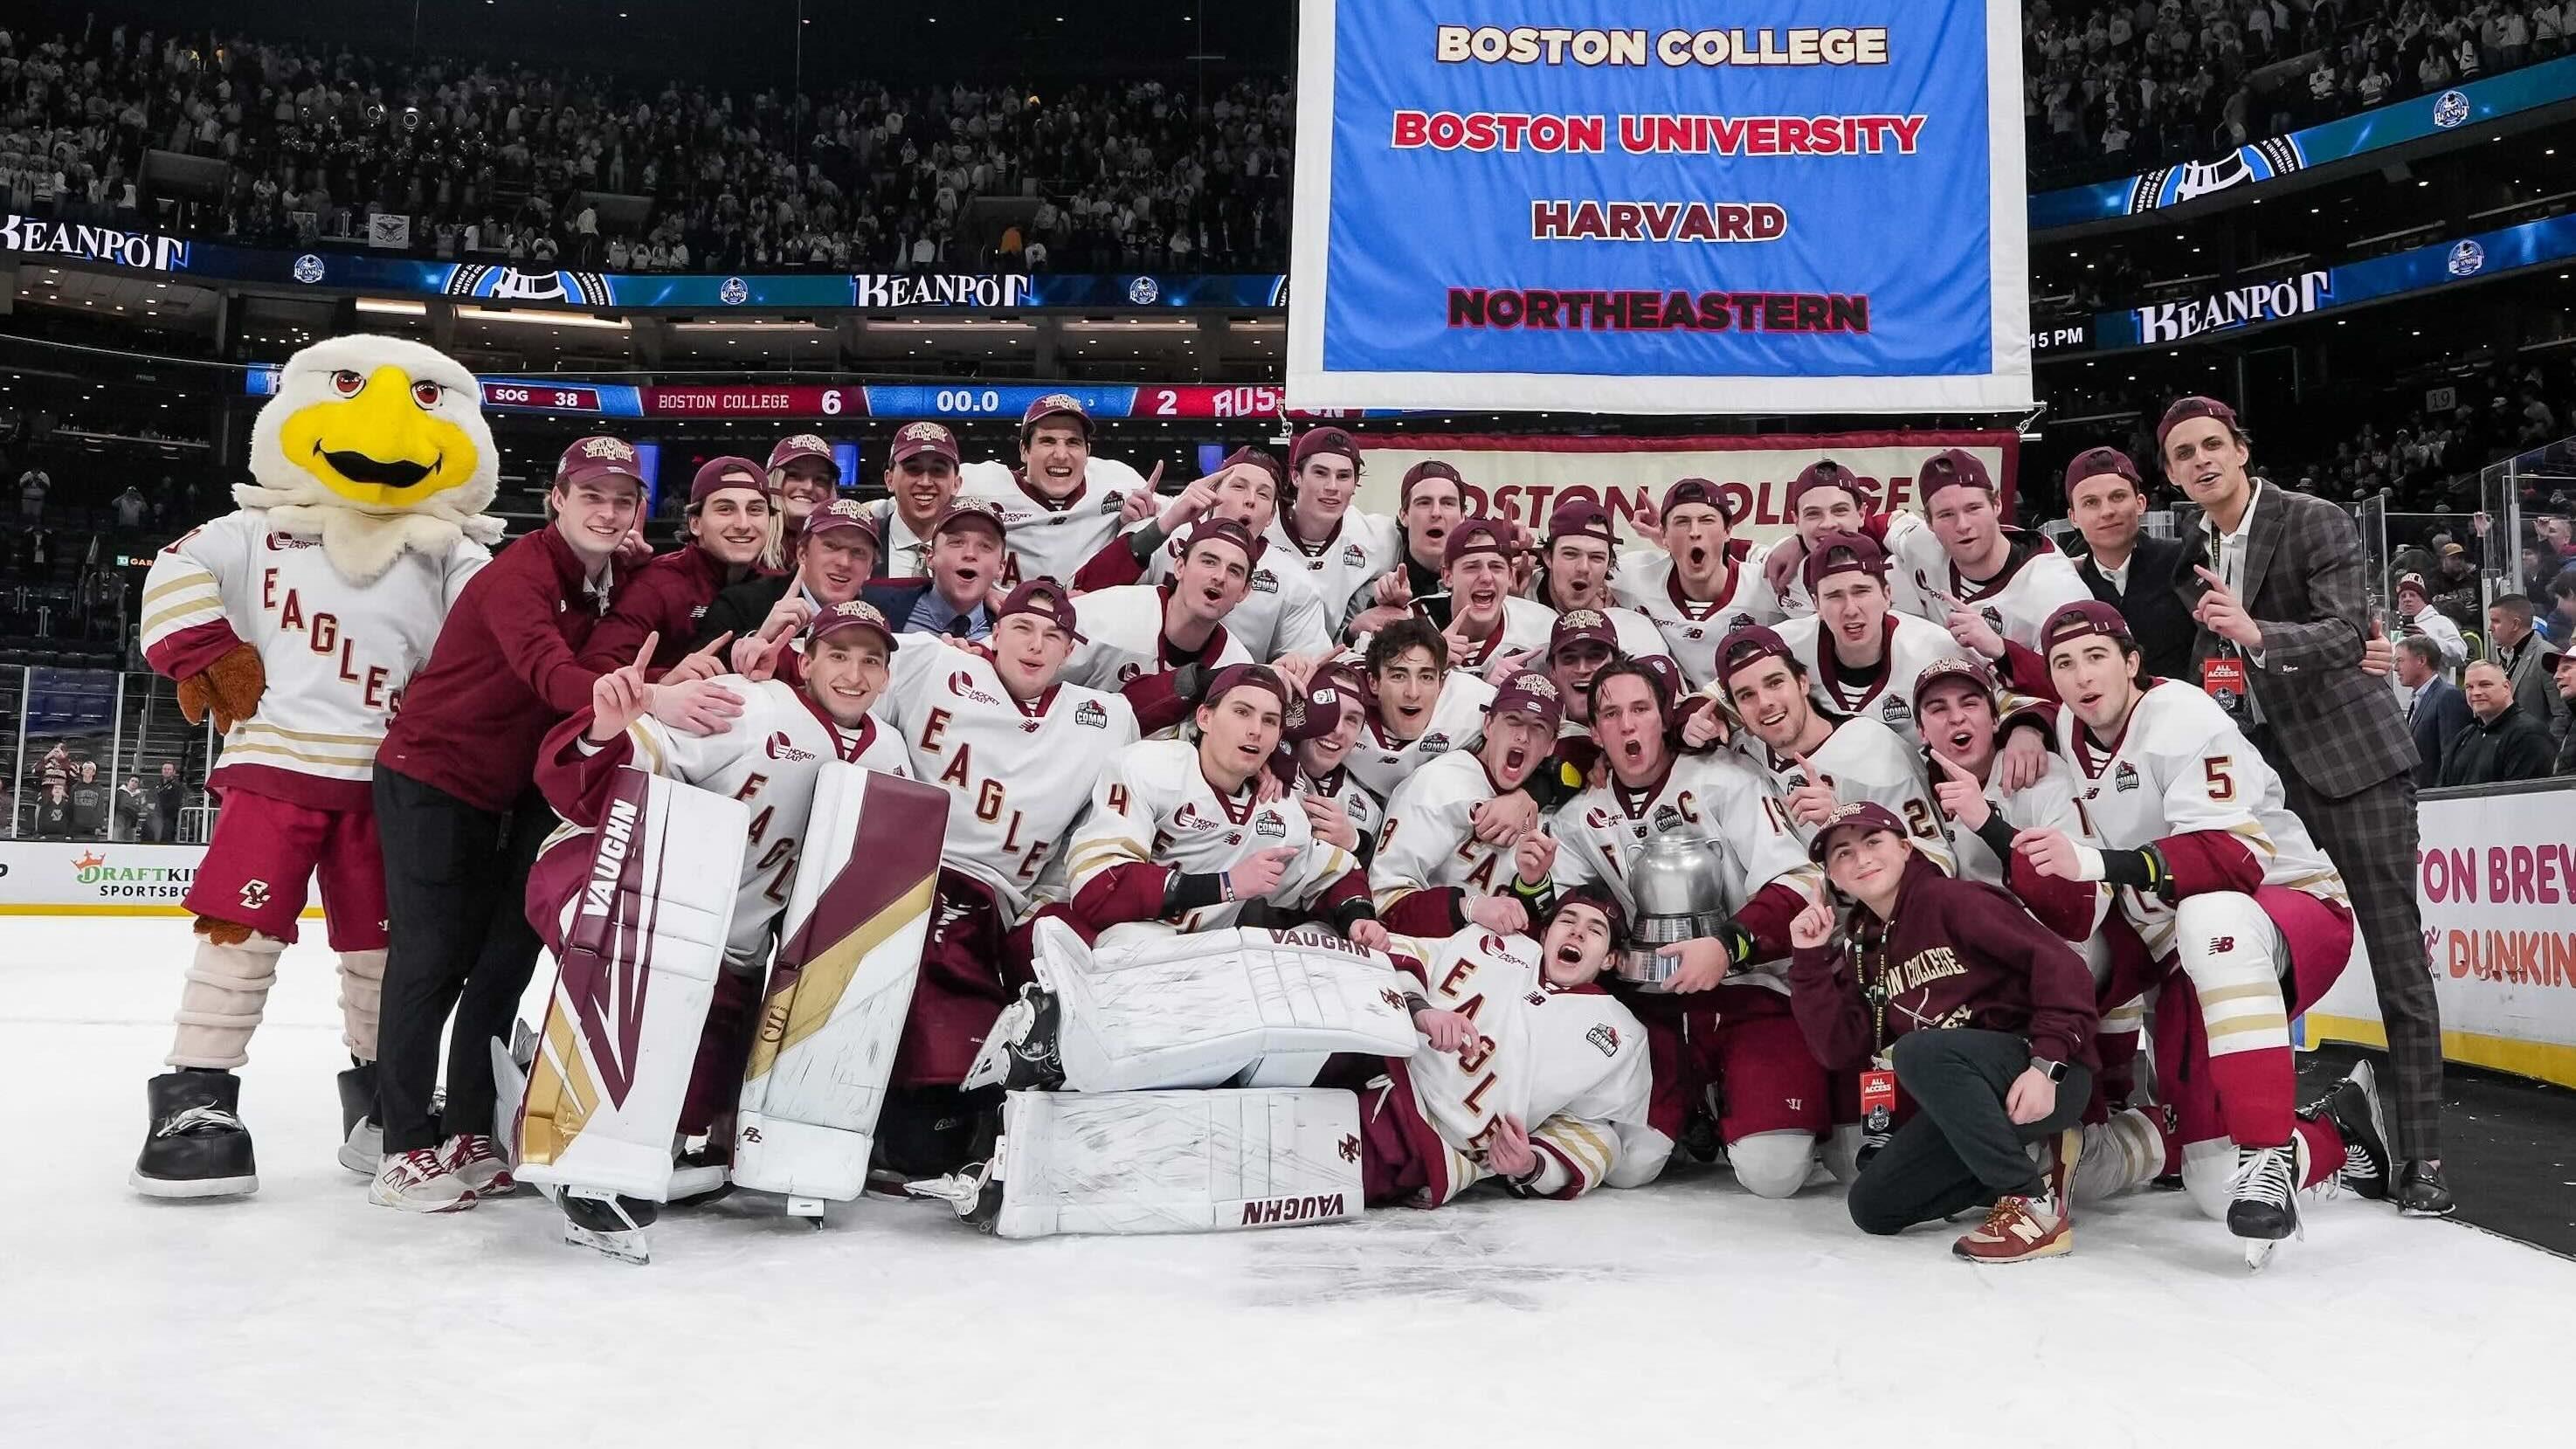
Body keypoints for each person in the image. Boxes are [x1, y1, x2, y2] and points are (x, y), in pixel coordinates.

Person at [126, 335, 503, 1202]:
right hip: (275, 765)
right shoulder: (259, 531)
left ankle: (387, 1103)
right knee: (240, 934)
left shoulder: (447, 550)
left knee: (387, 951)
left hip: (394, 783)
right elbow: (177, 568)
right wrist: (207, 650)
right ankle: (196, 1094)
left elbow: (494, 632)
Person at [370, 437, 740, 1212]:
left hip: (510, 791)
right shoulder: (520, 573)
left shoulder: (608, 578)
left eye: (622, 500)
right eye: (591, 496)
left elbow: (613, 645)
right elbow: (550, 672)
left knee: (500, 963)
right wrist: (654, 698)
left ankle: (467, 1128)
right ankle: (400, 1146)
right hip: (433, 776)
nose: (607, 512)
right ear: (557, 500)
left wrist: (660, 672)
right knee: (431, 958)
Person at [521, 600, 911, 1225]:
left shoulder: (889, 753)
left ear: (887, 676)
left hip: (730, 940)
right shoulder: (749, 707)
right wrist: (605, 729)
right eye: (838, 655)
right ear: (805, 663)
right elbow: (613, 777)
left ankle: (584, 1095)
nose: (854, 673)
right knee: (632, 1013)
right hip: (615, 880)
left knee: (688, 1106)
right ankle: (576, 1127)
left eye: (871, 661)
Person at [2024, 600, 2383, 1266]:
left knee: (2207, 913)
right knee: (2214, 1187)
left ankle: (2275, 1148)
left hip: (2280, 909)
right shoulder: (2069, 724)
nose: (2081, 675)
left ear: (2132, 662)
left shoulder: (2183, 717)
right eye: (2064, 663)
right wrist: (2021, 721)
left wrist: (2096, 863)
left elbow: (2229, 858)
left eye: (2096, 656)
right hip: (2173, 950)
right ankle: (2326, 1128)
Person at [2161, 395, 2449, 1215]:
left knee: (2397, 962)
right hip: (2264, 785)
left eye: (2211, 445)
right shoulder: (2191, 556)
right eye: (2182, 453)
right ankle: (2272, 1126)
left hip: (2353, 766)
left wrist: (2256, 633)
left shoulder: (2312, 518)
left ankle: (2422, 1157)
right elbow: (2205, 663)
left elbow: (2346, 634)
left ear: (2240, 449)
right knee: (2236, 949)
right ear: (2171, 474)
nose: (2200, 460)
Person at [869, 579, 1142, 1174]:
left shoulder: (1106, 719)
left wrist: (1047, 896)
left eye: (1052, 635)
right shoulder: (932, 663)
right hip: (905, 869)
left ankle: (958, 1108)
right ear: (993, 635)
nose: (1035, 645)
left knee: (927, 1149)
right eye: (1022, 628)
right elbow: (841, 668)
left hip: (992, 898)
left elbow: (1101, 822)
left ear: (1070, 651)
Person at [1544, 659, 1832, 1197]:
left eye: (1640, 709)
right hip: (1651, 1004)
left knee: (1773, 1173)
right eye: (1611, 714)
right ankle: (1695, 1109)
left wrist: (1727, 946)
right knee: (1628, 1167)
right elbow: (1571, 915)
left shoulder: (1726, 779)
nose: (1628, 725)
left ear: (1665, 717)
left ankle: (1735, 1108)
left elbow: (1798, 881)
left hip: (1751, 992)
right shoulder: (1577, 818)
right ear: (1595, 733)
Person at [1786, 803, 2096, 1262]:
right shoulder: (1863, 949)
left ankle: (2032, 1207)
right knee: (1873, 1206)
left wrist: (2046, 1065)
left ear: (1906, 848)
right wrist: (1809, 959)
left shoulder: (1954, 901)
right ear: (1832, 876)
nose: (1862, 858)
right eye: (1843, 853)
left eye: (1873, 842)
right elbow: (1840, 1050)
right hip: (1968, 1100)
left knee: (1917, 1051)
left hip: (2043, 1073)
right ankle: (2040, 1162)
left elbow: (2063, 966)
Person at [1364, 894, 1672, 1205]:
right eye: (1567, 920)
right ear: (1544, 935)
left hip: (1425, 1149)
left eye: (1595, 930)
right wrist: (1418, 1009)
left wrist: (1531, 1165)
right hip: (1379, 1070)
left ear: (1609, 959)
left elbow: (1595, 1134)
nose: (1577, 932)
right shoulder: (1488, 939)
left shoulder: (1624, 1036)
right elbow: (1398, 954)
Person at [1063, 665, 1386, 947]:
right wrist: (1227, 885)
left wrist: (1358, 918)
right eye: (1242, 712)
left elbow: (1336, 873)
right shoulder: (1148, 766)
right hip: (1102, 943)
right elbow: (1097, 887)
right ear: (1204, 717)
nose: (1255, 730)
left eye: (1270, 721)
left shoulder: (1280, 809)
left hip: (1203, 966)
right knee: (1128, 937)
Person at [1714, 625, 1954, 873]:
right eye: (1746, 696)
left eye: (1775, 683)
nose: (1765, 703)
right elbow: (1696, 717)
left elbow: (1937, 863)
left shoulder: (1875, 750)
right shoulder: (1746, 747)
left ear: (1802, 682)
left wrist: (1847, 824)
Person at [1073, 447, 1334, 661]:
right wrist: (1161, 526)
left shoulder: (1295, 582)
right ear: (1213, 494)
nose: (1251, 500)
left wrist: (1292, 667)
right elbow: (1085, 591)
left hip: (1233, 693)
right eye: (1239, 487)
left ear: (1271, 517)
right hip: (1129, 675)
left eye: (1263, 494)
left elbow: (1311, 664)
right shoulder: (1165, 530)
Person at [1371, 671, 1564, 935]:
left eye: (1538, 727)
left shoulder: (1548, 813)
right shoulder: (1438, 784)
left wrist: (1532, 884)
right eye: (1513, 720)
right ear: (1488, 725)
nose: (1523, 736)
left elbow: (1540, 929)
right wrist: (1466, 908)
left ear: (1551, 745)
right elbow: (1385, 903)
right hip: (1423, 949)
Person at [1888, 449, 2094, 689]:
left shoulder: (2055, 587)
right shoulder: (1920, 542)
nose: (1962, 525)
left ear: (1996, 504)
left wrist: (2001, 650)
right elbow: (1882, 524)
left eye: (1973, 508)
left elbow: (2085, 683)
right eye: (1946, 514)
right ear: (1929, 522)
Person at [580, 456, 775, 675]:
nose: (743, 524)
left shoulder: (778, 587)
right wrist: (663, 680)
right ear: (695, 523)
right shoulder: (657, 584)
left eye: (755, 510)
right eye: (725, 509)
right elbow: (594, 663)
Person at [1773, 532, 1958, 748]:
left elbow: (1989, 703)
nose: (1850, 609)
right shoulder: (1782, 647)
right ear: (1817, 605)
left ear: (1886, 595)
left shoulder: (1935, 649)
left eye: (1861, 591)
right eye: (1834, 596)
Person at [958, 393, 1154, 590]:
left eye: (1073, 442)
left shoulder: (1119, 481)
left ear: (1087, 452)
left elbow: (1166, 526)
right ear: (1024, 450)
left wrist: (1129, 523)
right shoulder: (980, 485)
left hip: (1088, 607)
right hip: (1005, 609)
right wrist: (983, 595)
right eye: (1048, 441)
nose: (1061, 455)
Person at [1060, 516, 1256, 698]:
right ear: (1180, 568)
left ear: (1244, 592)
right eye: (1209, 562)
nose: (1220, 577)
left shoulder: (1237, 667)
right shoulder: (1105, 614)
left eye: (1234, 571)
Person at [1614, 478, 1781, 688]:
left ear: (1728, 531)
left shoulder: (1767, 585)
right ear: (1663, 534)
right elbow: (1590, 565)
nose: (1694, 531)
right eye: (1682, 522)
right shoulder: (1634, 576)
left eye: (1707, 520)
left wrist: (1793, 543)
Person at [2064, 446, 2193, 682]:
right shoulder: (2068, 584)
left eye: (2118, 497)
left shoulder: (2184, 561)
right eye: (2091, 502)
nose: (2107, 511)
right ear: (2073, 517)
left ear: (2140, 503)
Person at [694, 496, 879, 652]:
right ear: (802, 553)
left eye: (858, 552)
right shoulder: (739, 604)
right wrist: (761, 638)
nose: (844, 562)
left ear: (870, 569)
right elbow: (701, 668)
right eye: (831, 546)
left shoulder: (881, 619)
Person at [1340, 616, 1497, 799]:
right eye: (1398, 676)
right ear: (1373, 682)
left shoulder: (1470, 702)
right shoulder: (1342, 693)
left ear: (1441, 683)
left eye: (1426, 677)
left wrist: (1520, 797)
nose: (1413, 693)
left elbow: (1522, 731)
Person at [1265, 428, 1401, 622]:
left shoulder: (1381, 536)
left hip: (1343, 641)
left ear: (1355, 483)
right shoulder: (1263, 527)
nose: (1332, 487)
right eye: (1320, 473)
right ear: (1296, 477)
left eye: (1343, 476)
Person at [1527, 498, 1671, 661]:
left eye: (1596, 557)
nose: (1583, 568)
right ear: (1548, 557)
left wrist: (1671, 539)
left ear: (1609, 564)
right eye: (1570, 554)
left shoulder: (1630, 598)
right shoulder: (1520, 592)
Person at [1344, 460, 1469, 637]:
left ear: (1463, 516)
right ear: (1404, 515)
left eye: (1447, 503)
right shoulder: (1374, 591)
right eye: (1424, 502)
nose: (1436, 512)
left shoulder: (1479, 582)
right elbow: (1332, 648)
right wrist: (1352, 632)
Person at [861, 499, 1008, 641]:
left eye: (985, 546)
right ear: (930, 557)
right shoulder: (872, 606)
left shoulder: (1011, 628)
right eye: (957, 542)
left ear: (1001, 567)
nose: (970, 554)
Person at [1281, 668, 1381, 864]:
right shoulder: (1261, 773)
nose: (1337, 729)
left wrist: (1356, 844)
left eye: (1351, 719)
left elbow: (1382, 875)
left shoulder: (1369, 813)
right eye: (1328, 711)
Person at [2440, 660, 2558, 785]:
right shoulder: (2464, 737)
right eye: (2469, 687)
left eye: (2485, 685)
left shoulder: (2530, 735)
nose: (2476, 692)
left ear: (2506, 687)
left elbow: (2521, 793)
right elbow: (2442, 789)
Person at [871, 422, 964, 578]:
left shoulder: (971, 553)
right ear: (889, 480)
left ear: (956, 484)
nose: (925, 482)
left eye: (938, 470)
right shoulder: (863, 541)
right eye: (913, 469)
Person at [2490, 594, 2573, 745]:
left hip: (2537, 749)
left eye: (2496, 621)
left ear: (2515, 624)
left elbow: (2562, 714)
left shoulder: (2547, 656)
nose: (2490, 628)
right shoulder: (2501, 657)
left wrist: (2549, 750)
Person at [2399, 635, 2474, 788]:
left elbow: (2452, 758)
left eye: (2400, 660)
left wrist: (2440, 796)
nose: (2395, 668)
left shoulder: (2448, 696)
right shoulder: (2418, 700)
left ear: (2421, 660)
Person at [762, 433, 842, 570]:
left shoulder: (844, 553)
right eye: (794, 475)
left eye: (820, 479)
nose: (808, 487)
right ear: (774, 481)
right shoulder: (747, 544)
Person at [2393, 573, 2466, 670]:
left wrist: (2429, 640)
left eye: (2412, 595)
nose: (2407, 599)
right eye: (2403, 596)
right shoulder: (2392, 627)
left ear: (2423, 600)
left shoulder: (2441, 622)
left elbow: (2460, 654)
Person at [150, 761, 184, 843]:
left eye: (169, 769)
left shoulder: (177, 787)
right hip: (153, 819)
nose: (166, 771)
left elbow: (175, 804)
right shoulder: (156, 785)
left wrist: (157, 807)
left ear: (174, 772)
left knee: (165, 841)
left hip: (168, 820)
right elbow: (149, 798)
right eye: (165, 769)